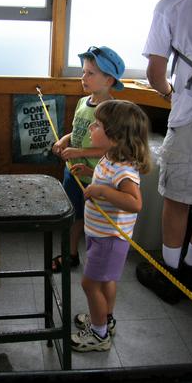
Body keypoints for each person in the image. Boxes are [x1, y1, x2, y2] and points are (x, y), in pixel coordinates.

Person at [136, 0, 192, 304]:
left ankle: (171, 276)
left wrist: (168, 93)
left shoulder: (171, 5)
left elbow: (155, 71)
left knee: (176, 202)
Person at [70, 100, 151, 352]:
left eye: (98, 125)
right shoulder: (108, 157)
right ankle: (106, 318)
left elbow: (134, 202)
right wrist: (87, 170)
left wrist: (102, 190)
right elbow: (105, 182)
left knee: (89, 284)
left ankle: (98, 334)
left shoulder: (124, 170)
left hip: (110, 238)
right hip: (100, 233)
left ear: (114, 137)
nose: (92, 127)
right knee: (106, 281)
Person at [51, 46, 125, 273]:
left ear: (109, 80)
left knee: (93, 220)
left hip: (95, 175)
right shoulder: (84, 103)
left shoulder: (111, 111)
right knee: (72, 215)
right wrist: (65, 140)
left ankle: (97, 263)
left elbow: (110, 148)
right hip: (72, 170)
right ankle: (71, 254)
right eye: (84, 72)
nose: (83, 77)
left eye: (90, 73)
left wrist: (78, 153)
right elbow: (78, 133)